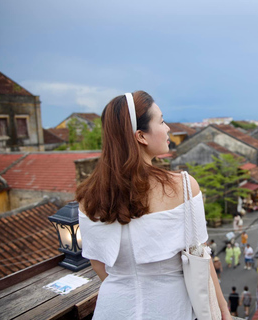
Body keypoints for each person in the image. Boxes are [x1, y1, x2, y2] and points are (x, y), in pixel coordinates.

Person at [76, 91, 231, 319]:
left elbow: (98, 264)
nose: (168, 128)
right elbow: (201, 259)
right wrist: (223, 310)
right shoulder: (184, 188)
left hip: (113, 309)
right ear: (141, 136)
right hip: (170, 309)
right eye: (161, 121)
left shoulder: (88, 197)